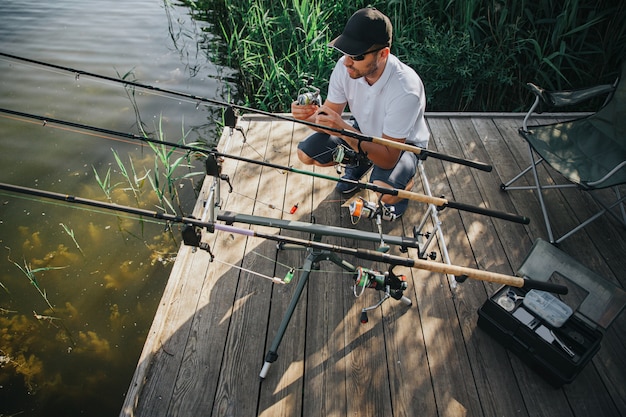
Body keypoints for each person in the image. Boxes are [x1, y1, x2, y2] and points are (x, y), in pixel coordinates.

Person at [291, 6, 429, 219]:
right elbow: (326, 118)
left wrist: (343, 130)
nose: (347, 61)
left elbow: (387, 159)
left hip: (402, 146)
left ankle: (403, 190)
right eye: (345, 52)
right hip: (361, 131)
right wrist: (306, 116)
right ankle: (360, 162)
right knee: (306, 154)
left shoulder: (406, 90)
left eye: (356, 55)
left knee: (384, 192)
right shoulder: (345, 67)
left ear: (383, 54)